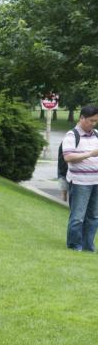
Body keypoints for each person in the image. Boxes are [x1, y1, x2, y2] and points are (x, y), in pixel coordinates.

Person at [63, 105, 98, 251]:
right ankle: (74, 245)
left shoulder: (96, 134)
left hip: (96, 182)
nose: (93, 124)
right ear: (81, 118)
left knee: (94, 217)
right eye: (91, 120)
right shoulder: (72, 135)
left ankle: (88, 246)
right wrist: (90, 154)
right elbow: (68, 157)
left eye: (96, 121)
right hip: (80, 183)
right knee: (78, 216)